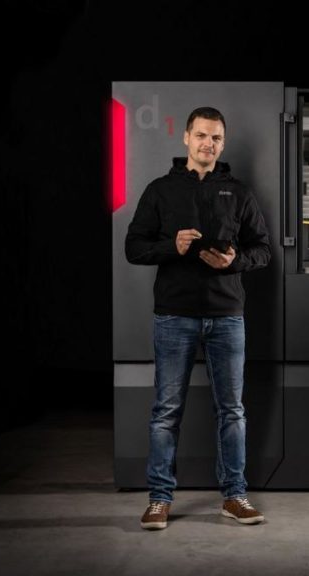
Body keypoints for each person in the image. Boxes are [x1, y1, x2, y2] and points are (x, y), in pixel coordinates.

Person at [125, 107, 271, 529]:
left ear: (223, 144)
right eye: (202, 135)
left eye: (217, 137)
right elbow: (134, 247)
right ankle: (159, 500)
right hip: (174, 315)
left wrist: (233, 261)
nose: (209, 143)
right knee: (166, 411)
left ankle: (235, 496)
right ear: (186, 137)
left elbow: (263, 250)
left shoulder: (239, 193)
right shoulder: (160, 190)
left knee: (232, 411)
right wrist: (171, 247)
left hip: (227, 316)